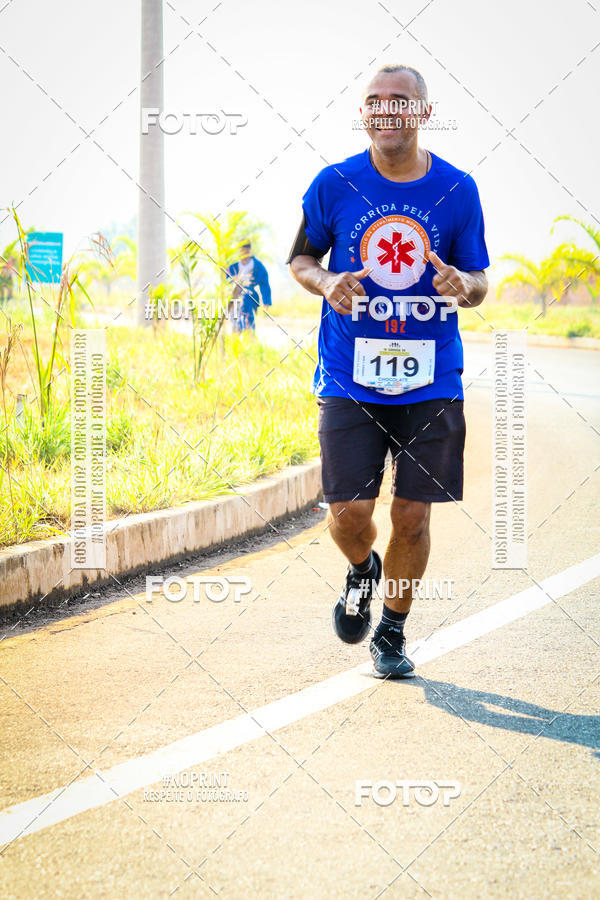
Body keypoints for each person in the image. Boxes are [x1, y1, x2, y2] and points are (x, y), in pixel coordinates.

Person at [287, 64, 489, 679]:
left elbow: (480, 281)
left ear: (423, 113)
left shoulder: (457, 190)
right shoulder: (335, 183)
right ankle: (361, 570)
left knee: (412, 515)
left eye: (399, 101)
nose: (385, 110)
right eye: (373, 102)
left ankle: (393, 632)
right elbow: (300, 257)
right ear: (364, 114)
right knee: (349, 515)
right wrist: (326, 282)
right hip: (350, 376)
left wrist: (464, 285)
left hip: (432, 380)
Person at [226, 240, 272, 331]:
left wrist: (266, 301)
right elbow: (226, 281)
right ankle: (235, 340)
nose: (244, 252)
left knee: (248, 319)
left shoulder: (257, 265)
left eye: (246, 250)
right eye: (242, 250)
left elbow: (264, 283)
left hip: (249, 296)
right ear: (239, 250)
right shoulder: (233, 266)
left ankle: (250, 336)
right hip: (234, 295)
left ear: (250, 250)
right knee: (234, 322)